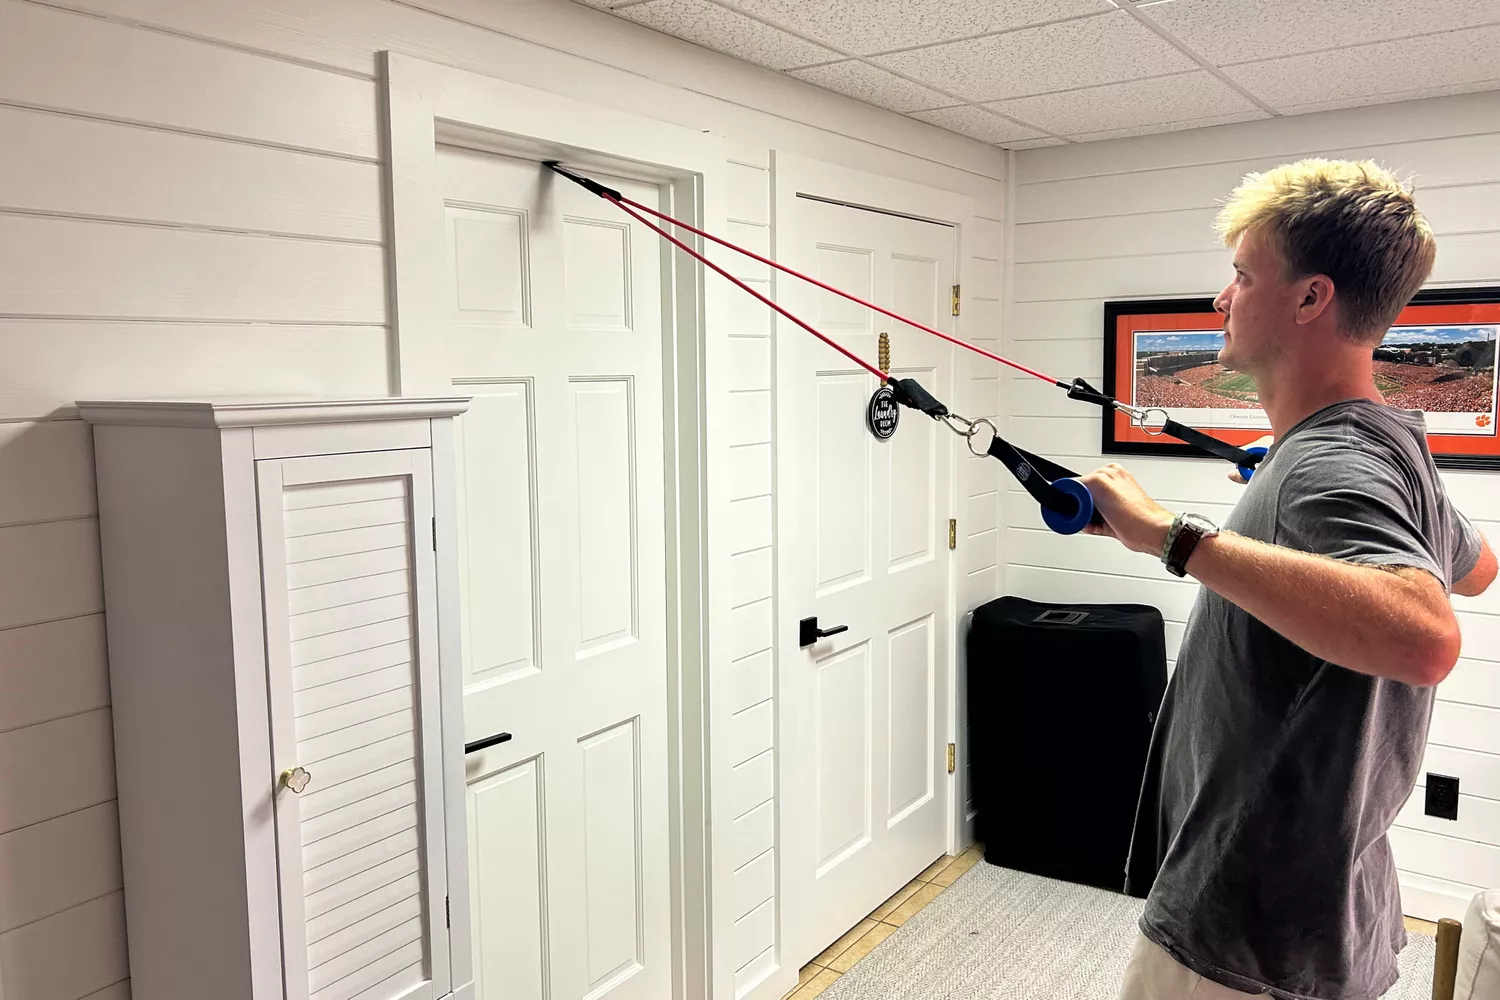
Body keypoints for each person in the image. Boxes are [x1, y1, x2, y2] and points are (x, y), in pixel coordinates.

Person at [1080, 158, 1499, 1000]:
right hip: (1317, 910)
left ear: (1310, 299)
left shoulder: (1334, 462)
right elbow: (1479, 569)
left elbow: (1422, 637)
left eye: (1241, 274)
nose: (1220, 298)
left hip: (1246, 929)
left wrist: (1170, 537)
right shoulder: (1381, 442)